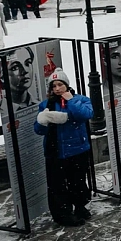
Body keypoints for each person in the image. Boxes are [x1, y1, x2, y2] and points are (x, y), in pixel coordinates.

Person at [34, 69, 94, 227]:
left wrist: (71, 101)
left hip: (78, 149)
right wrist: (42, 121)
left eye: (60, 84)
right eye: (54, 86)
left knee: (78, 182)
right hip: (55, 152)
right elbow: (39, 130)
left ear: (67, 85)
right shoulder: (46, 104)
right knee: (57, 185)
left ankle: (80, 206)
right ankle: (63, 214)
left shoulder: (80, 99)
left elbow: (85, 115)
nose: (57, 88)